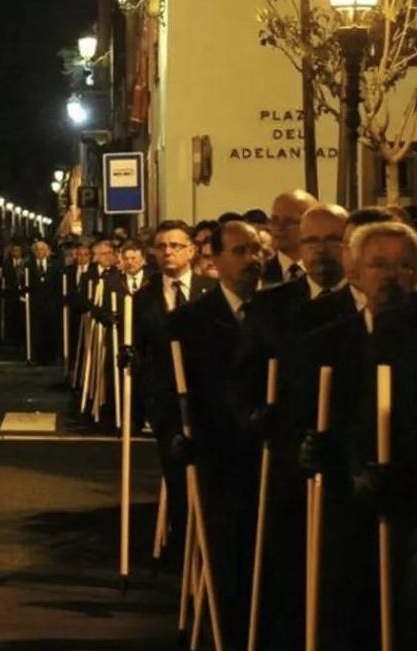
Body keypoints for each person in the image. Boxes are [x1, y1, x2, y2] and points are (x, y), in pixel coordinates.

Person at [232, 203, 350, 648]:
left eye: (332, 240)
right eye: (312, 241)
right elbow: (243, 377)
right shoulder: (273, 306)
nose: (322, 251)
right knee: (290, 568)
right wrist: (256, 415)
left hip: (345, 456)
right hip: (287, 457)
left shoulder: (364, 306)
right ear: (299, 247)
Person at [296, 221, 417, 649]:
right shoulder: (324, 343)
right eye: (380, 264)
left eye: (404, 266)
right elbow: (308, 418)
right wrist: (324, 453)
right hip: (345, 506)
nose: (392, 275)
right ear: (356, 273)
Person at [173, 220, 265, 649]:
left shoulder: (276, 312)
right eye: (241, 251)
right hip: (219, 451)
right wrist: (179, 432)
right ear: (218, 259)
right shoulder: (194, 319)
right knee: (226, 553)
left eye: (257, 251)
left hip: (266, 450)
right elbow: (175, 385)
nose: (253, 260)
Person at [132, 221, 216, 565]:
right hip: (166, 400)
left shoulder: (209, 291)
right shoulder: (143, 299)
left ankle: (211, 542)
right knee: (176, 474)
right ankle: (184, 549)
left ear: (191, 250)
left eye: (176, 245)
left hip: (207, 398)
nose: (168, 251)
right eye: (162, 246)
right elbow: (139, 349)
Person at [262, 189, 319, 285]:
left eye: (289, 221)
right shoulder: (259, 275)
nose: (280, 227)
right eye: (275, 219)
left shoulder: (324, 272)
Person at [25, 240, 60, 365]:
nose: (40, 252)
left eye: (42, 249)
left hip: (51, 302)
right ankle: (37, 356)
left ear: (47, 251)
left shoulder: (55, 265)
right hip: (35, 303)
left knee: (50, 329)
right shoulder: (28, 266)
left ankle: (51, 356)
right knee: (37, 330)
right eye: (37, 250)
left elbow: (58, 284)